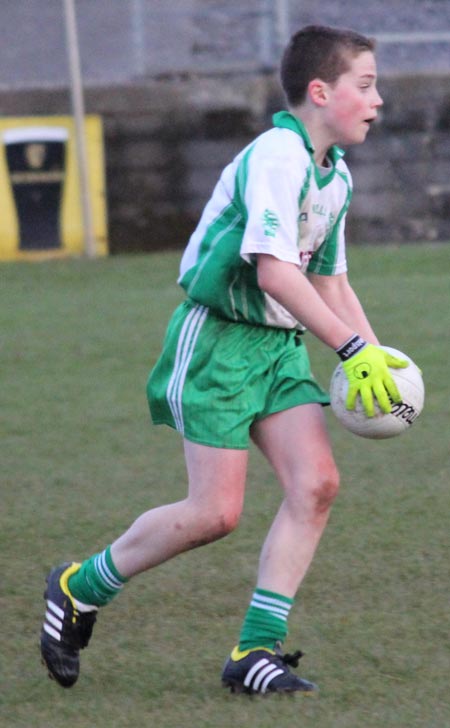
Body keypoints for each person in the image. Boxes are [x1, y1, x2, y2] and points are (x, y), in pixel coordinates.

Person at [40, 25, 408, 695]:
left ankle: (253, 655)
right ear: (321, 92)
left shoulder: (337, 177)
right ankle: (76, 586)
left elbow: (329, 283)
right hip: (217, 343)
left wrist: (378, 359)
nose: (378, 99)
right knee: (215, 513)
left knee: (317, 483)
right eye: (366, 85)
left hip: (277, 347)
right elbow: (273, 272)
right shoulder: (278, 155)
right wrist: (349, 349)